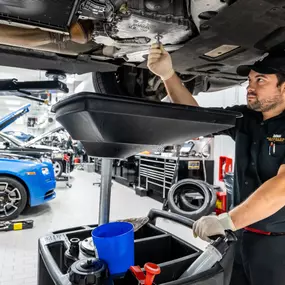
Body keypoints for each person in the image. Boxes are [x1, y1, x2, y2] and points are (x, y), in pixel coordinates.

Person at [147, 44, 285, 285]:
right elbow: (196, 118)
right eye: (250, 80)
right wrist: (168, 75)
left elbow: (282, 187)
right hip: (239, 237)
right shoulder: (245, 117)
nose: (250, 88)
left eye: (260, 80)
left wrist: (226, 220)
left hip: (277, 247)